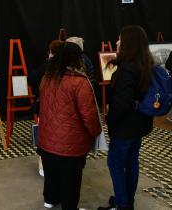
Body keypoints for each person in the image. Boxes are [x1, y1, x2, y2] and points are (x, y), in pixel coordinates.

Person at [37, 42, 101, 210]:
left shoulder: (47, 78)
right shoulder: (80, 82)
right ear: (77, 58)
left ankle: (50, 200)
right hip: (71, 145)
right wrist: (96, 132)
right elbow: (89, 115)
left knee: (51, 173)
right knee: (71, 180)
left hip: (46, 140)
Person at [98, 25, 154, 210]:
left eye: (120, 39)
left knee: (115, 163)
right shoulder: (144, 65)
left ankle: (123, 204)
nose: (117, 42)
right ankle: (126, 201)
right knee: (131, 162)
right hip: (139, 125)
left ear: (128, 43)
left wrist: (109, 120)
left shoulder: (127, 70)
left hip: (125, 127)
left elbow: (121, 104)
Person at [28, 39, 64, 177]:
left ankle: (44, 167)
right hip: (62, 111)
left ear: (51, 52)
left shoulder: (48, 66)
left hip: (45, 108)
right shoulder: (69, 68)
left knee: (45, 139)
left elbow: (32, 79)